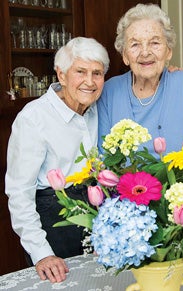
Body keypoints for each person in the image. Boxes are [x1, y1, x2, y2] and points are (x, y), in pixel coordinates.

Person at [5, 37, 110, 283]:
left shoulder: (95, 108)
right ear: (61, 75)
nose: (89, 81)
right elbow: (19, 193)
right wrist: (42, 254)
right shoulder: (33, 118)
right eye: (80, 72)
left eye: (97, 73)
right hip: (52, 224)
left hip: (93, 215)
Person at [97, 3, 183, 155]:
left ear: (169, 51)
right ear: (125, 56)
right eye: (135, 44)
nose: (145, 52)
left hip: (181, 179)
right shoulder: (109, 91)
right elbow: (103, 160)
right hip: (123, 180)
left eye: (155, 43)